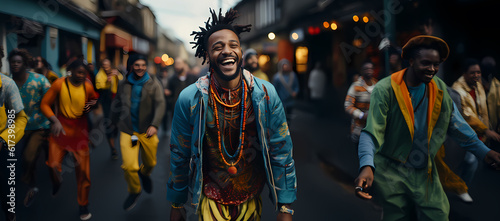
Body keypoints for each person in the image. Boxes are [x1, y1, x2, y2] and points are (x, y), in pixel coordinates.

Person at [167, 8, 296, 221]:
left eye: (233, 45)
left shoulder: (266, 94)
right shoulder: (189, 99)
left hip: (251, 198)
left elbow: (281, 149)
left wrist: (285, 206)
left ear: (241, 53)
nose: (227, 51)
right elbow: (179, 153)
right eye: (218, 47)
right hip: (209, 201)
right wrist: (176, 201)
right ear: (208, 56)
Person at [354, 35, 500, 220]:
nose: (432, 69)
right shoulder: (385, 89)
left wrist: (485, 152)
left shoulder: (439, 89)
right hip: (392, 172)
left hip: (424, 172)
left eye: (436, 64)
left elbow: (457, 126)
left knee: (438, 214)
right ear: (411, 61)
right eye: (426, 63)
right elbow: (372, 132)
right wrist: (367, 165)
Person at [40, 59, 98, 220]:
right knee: (52, 164)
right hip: (61, 128)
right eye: (79, 72)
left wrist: (91, 105)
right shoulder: (59, 84)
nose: (82, 76)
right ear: (70, 71)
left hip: (80, 131)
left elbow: (94, 98)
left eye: (84, 73)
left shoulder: (87, 85)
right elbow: (44, 104)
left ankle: (83, 205)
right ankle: (56, 183)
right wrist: (55, 120)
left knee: (84, 173)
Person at [113, 54, 165, 211]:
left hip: (147, 130)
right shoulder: (124, 83)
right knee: (129, 166)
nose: (140, 68)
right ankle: (134, 191)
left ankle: (145, 174)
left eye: (143, 65)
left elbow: (160, 104)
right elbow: (117, 103)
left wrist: (155, 125)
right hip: (128, 131)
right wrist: (111, 122)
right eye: (137, 65)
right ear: (130, 66)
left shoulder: (153, 83)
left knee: (150, 163)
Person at [8, 49, 52, 207]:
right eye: (12, 62)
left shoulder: (39, 80)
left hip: (38, 127)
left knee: (28, 156)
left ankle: (29, 185)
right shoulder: (7, 82)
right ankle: (30, 185)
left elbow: (51, 101)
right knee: (16, 159)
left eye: (18, 62)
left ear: (25, 64)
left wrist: (54, 122)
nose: (15, 64)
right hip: (16, 128)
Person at [451, 58, 500, 186]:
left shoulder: (478, 85)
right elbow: (467, 115)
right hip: (464, 133)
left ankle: (460, 186)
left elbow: (484, 108)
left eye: (478, 72)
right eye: (473, 73)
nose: (476, 75)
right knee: (470, 161)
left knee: (474, 161)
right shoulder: (457, 90)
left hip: (478, 133)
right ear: (464, 74)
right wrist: (485, 130)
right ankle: (460, 187)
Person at [0, 46, 28, 221]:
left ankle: (10, 214)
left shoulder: (7, 85)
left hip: (4, 145)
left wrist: (3, 139)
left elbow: (21, 119)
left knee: (7, 184)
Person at [95, 58, 123, 159]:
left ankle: (114, 130)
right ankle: (113, 149)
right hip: (106, 100)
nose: (106, 68)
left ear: (110, 65)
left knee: (115, 123)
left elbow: (122, 80)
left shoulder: (114, 72)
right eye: (104, 66)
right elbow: (99, 87)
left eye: (108, 65)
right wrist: (107, 81)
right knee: (108, 124)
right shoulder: (99, 75)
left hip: (116, 99)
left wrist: (117, 75)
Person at [344, 61, 377, 144]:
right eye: (366, 69)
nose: (369, 71)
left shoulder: (378, 85)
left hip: (374, 128)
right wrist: (362, 115)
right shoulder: (355, 86)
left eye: (371, 69)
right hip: (358, 128)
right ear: (362, 71)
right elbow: (348, 106)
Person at [165, 57, 197, 135]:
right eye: (175, 64)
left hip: (191, 111)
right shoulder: (172, 79)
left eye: (179, 63)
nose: (176, 66)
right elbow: (168, 93)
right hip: (176, 111)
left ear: (185, 65)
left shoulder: (193, 78)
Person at [272, 59, 299, 123]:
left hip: (290, 99)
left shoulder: (293, 75)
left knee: (289, 115)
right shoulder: (277, 77)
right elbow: (275, 89)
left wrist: (295, 92)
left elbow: (296, 86)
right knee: (282, 116)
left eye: (287, 66)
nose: (285, 68)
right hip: (281, 100)